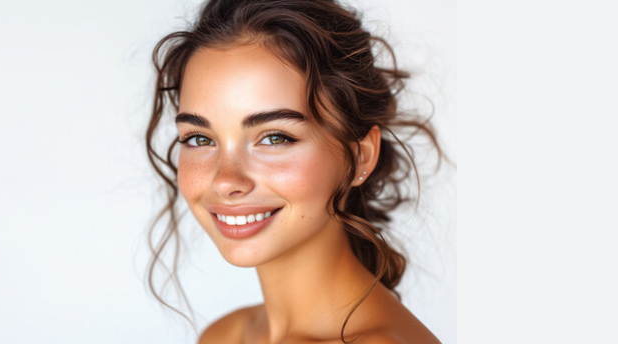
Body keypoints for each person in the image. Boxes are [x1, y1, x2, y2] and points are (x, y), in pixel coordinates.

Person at [144, 0, 447, 343]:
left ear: (360, 157)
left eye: (274, 138)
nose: (226, 180)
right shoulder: (224, 336)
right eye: (199, 138)